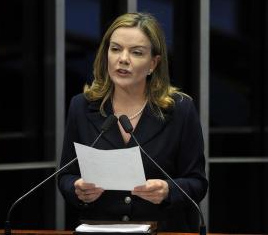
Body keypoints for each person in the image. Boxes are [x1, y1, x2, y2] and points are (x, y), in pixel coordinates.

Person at [57, 12, 208, 232]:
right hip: (99, 228)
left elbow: (197, 182)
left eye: (136, 52)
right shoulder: (81, 106)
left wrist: (167, 190)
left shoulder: (180, 110)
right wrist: (76, 188)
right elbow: (65, 176)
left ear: (153, 64)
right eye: (116, 49)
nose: (123, 59)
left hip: (162, 228)